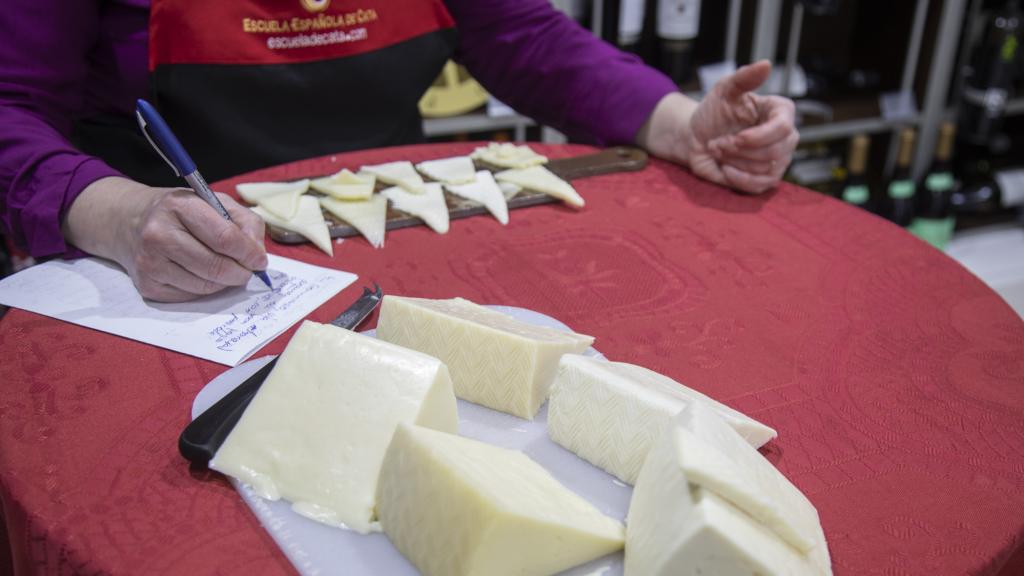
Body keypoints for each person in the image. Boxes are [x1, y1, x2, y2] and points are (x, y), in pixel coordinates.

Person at [0, 0, 797, 302]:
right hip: (173, 270)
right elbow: (11, 106)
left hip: (389, 246)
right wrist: (109, 212)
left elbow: (518, 34)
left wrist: (677, 124)